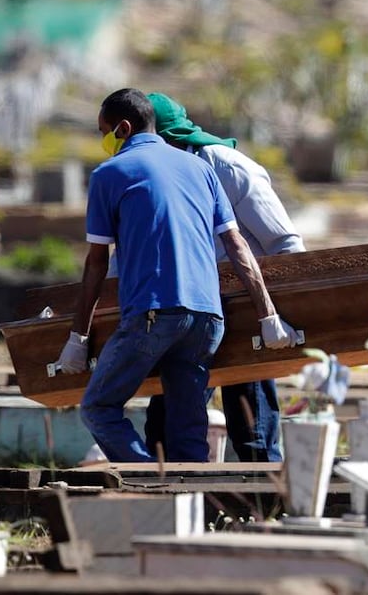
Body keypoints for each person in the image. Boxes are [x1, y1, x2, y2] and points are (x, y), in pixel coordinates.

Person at [54, 88, 297, 462]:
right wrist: (269, 317)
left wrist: (78, 337)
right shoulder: (198, 171)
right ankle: (188, 501)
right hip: (208, 316)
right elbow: (234, 245)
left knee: (100, 408)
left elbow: (98, 264)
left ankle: (154, 479)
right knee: (177, 430)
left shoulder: (209, 165)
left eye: (104, 132)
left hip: (174, 314)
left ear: (124, 128)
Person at [142, 92, 305, 463]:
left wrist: (277, 314)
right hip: (186, 312)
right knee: (166, 429)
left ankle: (265, 511)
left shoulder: (228, 168)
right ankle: (177, 507)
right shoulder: (147, 177)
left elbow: (286, 245)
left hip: (248, 308)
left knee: (253, 431)